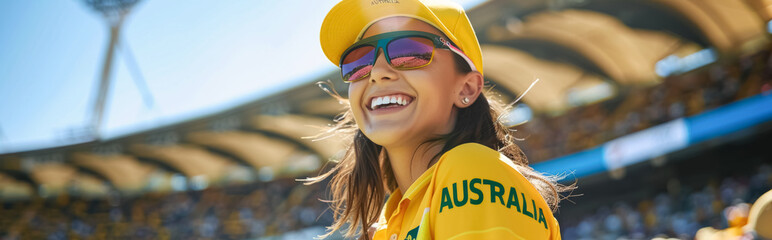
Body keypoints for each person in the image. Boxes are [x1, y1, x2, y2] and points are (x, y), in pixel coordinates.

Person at [306, 0, 573, 239]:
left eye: (408, 51)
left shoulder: (472, 169)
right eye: (358, 61)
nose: (376, 72)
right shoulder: (391, 218)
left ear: (466, 88)